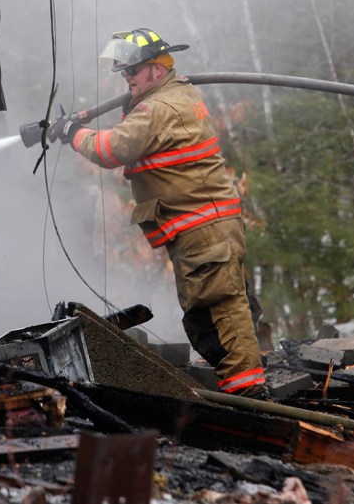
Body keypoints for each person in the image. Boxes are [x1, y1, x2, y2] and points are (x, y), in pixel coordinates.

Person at [51, 28, 267, 398]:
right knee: (210, 318)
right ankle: (243, 391)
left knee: (220, 314)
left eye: (133, 71)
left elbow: (111, 149)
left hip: (204, 230)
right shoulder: (177, 95)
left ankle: (252, 403)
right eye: (123, 73)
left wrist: (73, 132)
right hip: (207, 228)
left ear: (156, 68)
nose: (127, 78)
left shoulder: (158, 108)